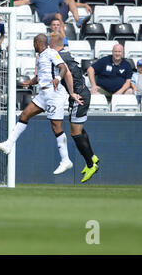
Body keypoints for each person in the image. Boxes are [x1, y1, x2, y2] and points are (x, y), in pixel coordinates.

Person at [0, 34, 82, 175]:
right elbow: (40, 77)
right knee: (24, 114)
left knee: (56, 126)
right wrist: (29, 82)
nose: (33, 46)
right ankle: (9, 144)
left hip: (54, 94)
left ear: (38, 43)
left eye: (34, 43)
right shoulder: (40, 57)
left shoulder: (52, 53)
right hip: (43, 94)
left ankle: (66, 160)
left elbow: (63, 68)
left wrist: (58, 78)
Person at [49, 32, 100, 183]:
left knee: (75, 133)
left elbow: (68, 74)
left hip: (79, 96)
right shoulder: (65, 53)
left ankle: (91, 165)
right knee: (79, 129)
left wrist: (72, 93)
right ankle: (92, 157)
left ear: (52, 44)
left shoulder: (59, 57)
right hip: (81, 93)